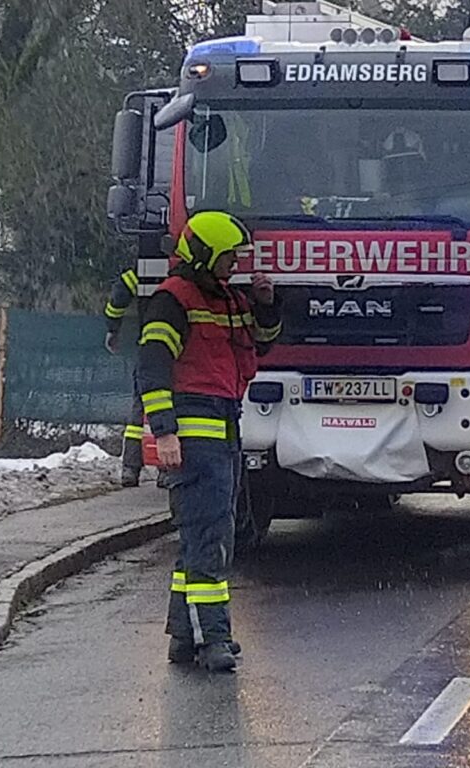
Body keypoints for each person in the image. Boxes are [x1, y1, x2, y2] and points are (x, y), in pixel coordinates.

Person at [136, 211, 281, 672]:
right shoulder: (172, 300)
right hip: (195, 435)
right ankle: (212, 638)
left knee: (202, 536)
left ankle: (184, 636)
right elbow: (152, 368)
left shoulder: (227, 299)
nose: (234, 266)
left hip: (224, 430)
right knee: (211, 538)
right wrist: (165, 432)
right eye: (227, 258)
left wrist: (265, 304)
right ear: (203, 255)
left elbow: (260, 344)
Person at [103, 267, 145, 487]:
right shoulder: (196, 271)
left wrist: (113, 327)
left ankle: (130, 467)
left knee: (141, 408)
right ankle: (169, 471)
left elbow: (121, 291)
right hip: (191, 351)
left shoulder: (148, 266)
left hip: (151, 346)